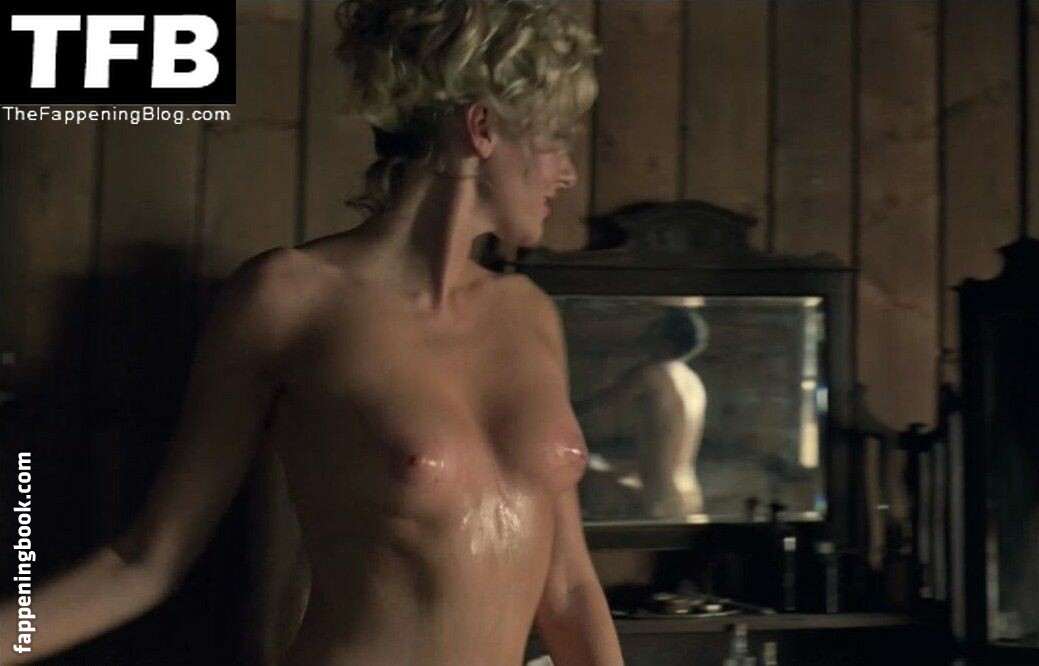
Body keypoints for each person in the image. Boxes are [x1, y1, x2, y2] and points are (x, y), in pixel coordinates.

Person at [0, 1, 625, 664]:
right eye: (556, 140)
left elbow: (568, 590)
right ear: (483, 128)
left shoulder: (530, 315)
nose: (569, 172)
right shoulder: (288, 300)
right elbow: (146, 562)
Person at [574, 307, 709, 520]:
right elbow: (669, 451)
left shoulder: (650, 374)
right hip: (690, 496)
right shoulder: (693, 380)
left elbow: (595, 408)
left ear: (665, 338)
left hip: (662, 500)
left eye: (654, 327)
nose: (645, 332)